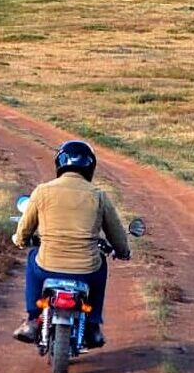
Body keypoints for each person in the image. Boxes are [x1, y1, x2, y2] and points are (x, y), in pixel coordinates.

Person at [11, 139, 132, 348]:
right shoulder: (99, 196)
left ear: (60, 163)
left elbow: (23, 231)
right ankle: (93, 324)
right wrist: (123, 251)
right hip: (87, 270)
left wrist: (20, 241)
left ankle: (32, 319)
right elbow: (117, 234)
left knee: (32, 258)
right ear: (90, 166)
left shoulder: (42, 191)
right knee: (101, 265)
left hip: (47, 267)